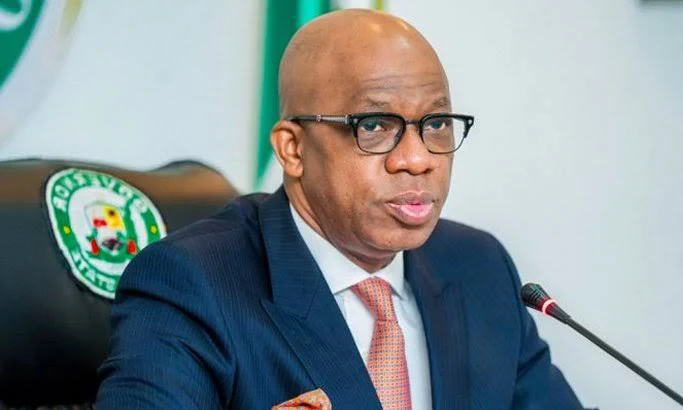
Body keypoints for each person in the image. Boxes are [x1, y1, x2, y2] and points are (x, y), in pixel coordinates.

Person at [96, 9, 584, 410]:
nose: (418, 159)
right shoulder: (193, 284)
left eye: (436, 123)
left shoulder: (479, 268)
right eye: (373, 126)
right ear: (293, 149)